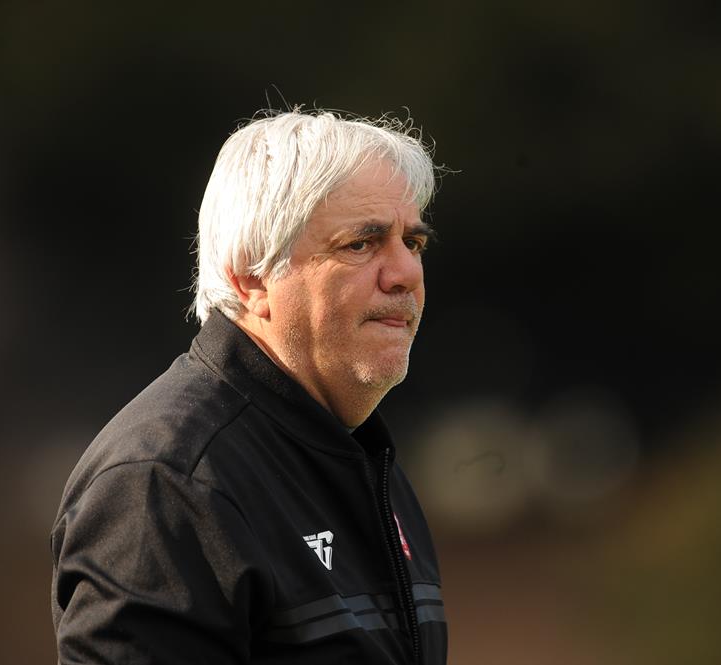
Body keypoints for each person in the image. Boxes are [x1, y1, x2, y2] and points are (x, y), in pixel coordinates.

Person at [50, 108, 447, 664]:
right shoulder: (165, 482)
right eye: (361, 244)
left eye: (413, 243)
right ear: (252, 276)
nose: (405, 273)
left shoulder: (362, 459)